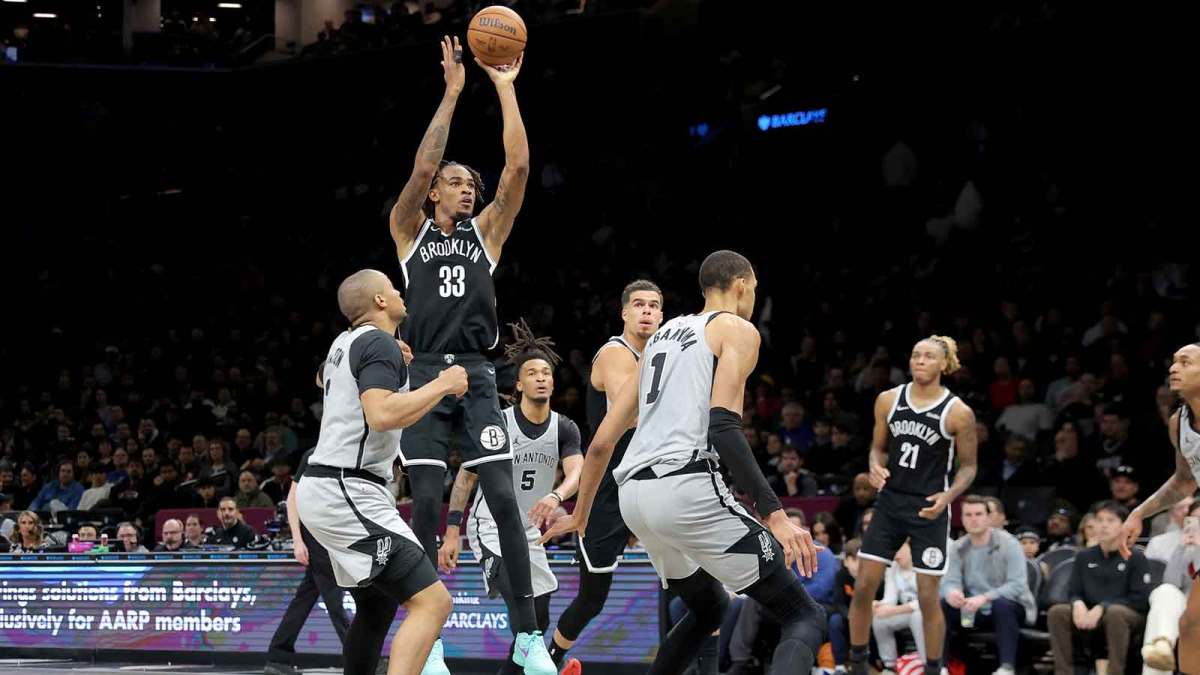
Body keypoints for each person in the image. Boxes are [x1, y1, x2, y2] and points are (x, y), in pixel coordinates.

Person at [544, 251, 827, 675]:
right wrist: (775, 514)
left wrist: (580, 514)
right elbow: (724, 426)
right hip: (684, 486)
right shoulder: (736, 329)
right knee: (803, 615)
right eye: (754, 288)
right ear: (742, 285)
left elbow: (602, 442)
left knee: (709, 607)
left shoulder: (663, 336)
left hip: (635, 500)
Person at [387, 35, 549, 675]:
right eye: (455, 182)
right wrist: (453, 93)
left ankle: (528, 636)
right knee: (425, 504)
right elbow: (422, 167)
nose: (465, 189)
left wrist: (505, 87)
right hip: (425, 371)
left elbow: (518, 171)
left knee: (504, 502)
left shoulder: (487, 236)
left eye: (469, 184)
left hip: (479, 373)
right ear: (434, 195)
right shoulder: (409, 230)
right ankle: (428, 641)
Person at [296, 267, 466, 675]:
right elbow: (383, 414)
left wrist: (392, 362)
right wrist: (442, 383)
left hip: (331, 488)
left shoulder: (345, 342)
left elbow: (324, 378)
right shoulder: (378, 343)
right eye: (392, 287)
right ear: (380, 302)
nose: (399, 291)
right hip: (346, 489)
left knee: (377, 604)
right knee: (433, 602)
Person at [439, 322, 583, 675]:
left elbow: (579, 472)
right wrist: (453, 531)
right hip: (491, 526)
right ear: (518, 384)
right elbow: (466, 477)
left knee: (540, 614)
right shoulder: (499, 424)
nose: (541, 378)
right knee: (522, 608)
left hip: (529, 532)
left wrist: (557, 494)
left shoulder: (564, 427)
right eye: (532, 373)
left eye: (546, 372)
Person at [543, 279, 662, 674]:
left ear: (661, 316)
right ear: (625, 313)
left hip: (650, 480)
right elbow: (630, 414)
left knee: (690, 580)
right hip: (608, 486)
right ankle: (549, 661)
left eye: (654, 306)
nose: (647, 311)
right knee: (592, 598)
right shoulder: (615, 353)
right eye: (639, 305)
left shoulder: (662, 355)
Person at [849, 336, 979, 675]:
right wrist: (875, 466)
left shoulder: (958, 413)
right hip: (891, 503)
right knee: (864, 587)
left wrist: (949, 497)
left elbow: (969, 467)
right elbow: (877, 448)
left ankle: (933, 668)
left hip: (929, 509)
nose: (920, 360)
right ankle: (858, 663)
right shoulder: (888, 400)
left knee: (926, 597)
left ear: (942, 365)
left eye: (928, 356)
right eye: (915, 355)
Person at [1119, 342, 1200, 673]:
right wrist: (1139, 512)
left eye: (1185, 361)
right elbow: (1184, 481)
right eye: (1173, 362)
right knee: (1190, 626)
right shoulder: (1178, 423)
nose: (1173, 368)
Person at [265, 446, 352, 675]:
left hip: (332, 532)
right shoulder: (315, 452)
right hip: (316, 533)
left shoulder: (353, 450)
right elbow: (293, 497)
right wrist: (297, 539)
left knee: (305, 598)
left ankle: (278, 657)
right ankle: (362, 658)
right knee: (335, 600)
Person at [727, 509, 839, 675]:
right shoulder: (781, 553)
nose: (789, 534)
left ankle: (740, 661)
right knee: (745, 602)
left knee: (754, 603)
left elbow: (822, 589)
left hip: (820, 605)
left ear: (804, 530)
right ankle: (738, 660)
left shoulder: (822, 553)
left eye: (794, 528)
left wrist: (790, 591)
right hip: (790, 603)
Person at [1049, 501, 1150, 675]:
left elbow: (1140, 599)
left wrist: (1103, 607)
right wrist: (1077, 603)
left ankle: (1115, 672)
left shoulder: (1136, 557)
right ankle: (1063, 672)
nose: (1103, 525)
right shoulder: (1084, 556)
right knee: (1057, 612)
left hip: (1126, 616)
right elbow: (1074, 591)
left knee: (1116, 613)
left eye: (1110, 520)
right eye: (1099, 520)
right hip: (1090, 615)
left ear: (1124, 525)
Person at [942, 496, 1037, 675]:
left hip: (1012, 606)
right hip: (973, 609)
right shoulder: (958, 547)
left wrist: (985, 597)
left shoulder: (1009, 544)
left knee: (1002, 604)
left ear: (988, 517)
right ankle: (942, 667)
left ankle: (1006, 667)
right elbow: (950, 581)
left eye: (978, 514)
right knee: (945, 605)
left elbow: (1017, 585)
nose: (973, 519)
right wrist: (952, 593)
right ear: (961, 519)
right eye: (968, 515)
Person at [1141, 499, 1200, 674]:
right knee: (1165, 591)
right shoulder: (1184, 545)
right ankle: (1162, 645)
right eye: (1195, 519)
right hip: (1182, 608)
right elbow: (1171, 583)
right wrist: (1182, 548)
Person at [871, 542, 926, 670]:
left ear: (909, 546)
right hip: (905, 612)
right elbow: (890, 599)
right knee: (879, 619)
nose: (895, 554)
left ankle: (927, 664)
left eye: (898, 549)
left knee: (917, 617)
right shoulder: (893, 568)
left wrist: (893, 610)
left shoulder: (924, 565)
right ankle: (890, 666)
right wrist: (879, 605)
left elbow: (924, 602)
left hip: (926, 612)